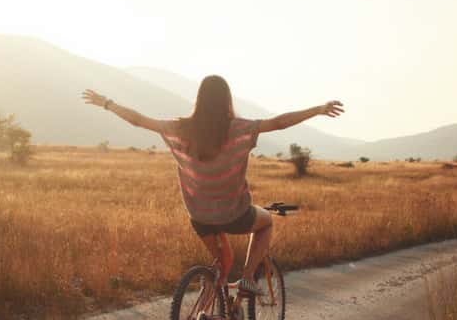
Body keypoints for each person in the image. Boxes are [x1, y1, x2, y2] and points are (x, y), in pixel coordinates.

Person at [82, 75, 343, 294]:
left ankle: (203, 316)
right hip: (235, 215)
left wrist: (107, 103)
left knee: (223, 263)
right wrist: (318, 109)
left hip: (199, 217)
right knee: (266, 223)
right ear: (227, 100)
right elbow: (279, 123)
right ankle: (248, 279)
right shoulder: (239, 128)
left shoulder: (181, 128)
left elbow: (138, 120)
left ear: (199, 100)